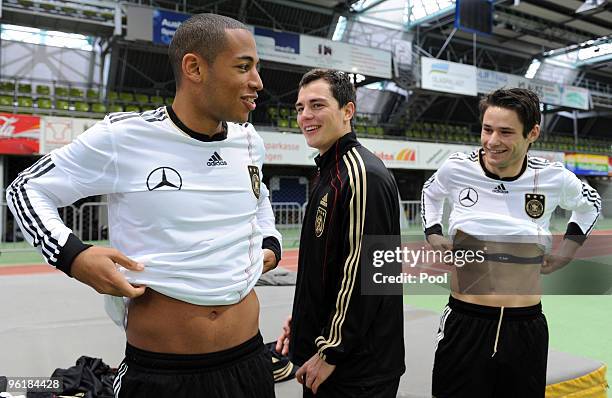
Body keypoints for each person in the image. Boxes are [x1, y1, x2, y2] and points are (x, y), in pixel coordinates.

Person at [6, 13, 282, 398]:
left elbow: (260, 197)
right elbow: (25, 189)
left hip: (249, 364)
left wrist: (271, 242)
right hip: (161, 376)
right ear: (194, 68)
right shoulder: (124, 137)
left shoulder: (250, 141)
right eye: (244, 67)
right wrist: (75, 257)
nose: (258, 82)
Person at [421, 88, 601, 397]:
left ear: (532, 132)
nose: (492, 141)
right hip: (464, 322)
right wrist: (433, 232)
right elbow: (431, 192)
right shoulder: (457, 168)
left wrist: (566, 253)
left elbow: (591, 203)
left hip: (525, 326)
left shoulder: (553, 177)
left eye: (505, 132)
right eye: (487, 129)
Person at [275, 69, 405, 397]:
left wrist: (332, 349)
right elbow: (329, 266)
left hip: (355, 368)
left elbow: (371, 273)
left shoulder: (361, 175)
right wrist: (305, 317)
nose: (305, 116)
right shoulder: (327, 172)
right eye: (300, 108)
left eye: (317, 105)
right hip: (334, 355)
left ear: (347, 111)